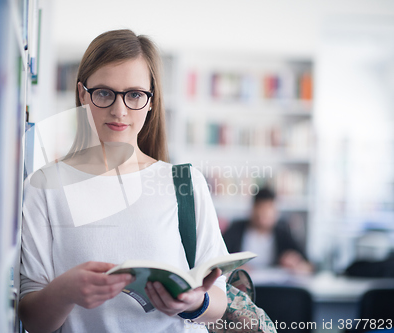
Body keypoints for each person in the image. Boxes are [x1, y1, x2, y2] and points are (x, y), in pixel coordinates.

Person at [18, 29, 230, 333]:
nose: (119, 110)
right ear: (82, 94)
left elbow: (218, 302)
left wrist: (195, 303)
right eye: (104, 93)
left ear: (151, 101)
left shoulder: (185, 183)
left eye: (134, 95)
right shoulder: (44, 188)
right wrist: (64, 292)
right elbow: (35, 322)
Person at [222, 188, 313, 274]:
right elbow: (220, 261)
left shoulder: (283, 233)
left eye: (267, 211)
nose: (263, 217)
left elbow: (309, 265)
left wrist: (297, 266)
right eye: (260, 210)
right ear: (252, 210)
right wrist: (233, 268)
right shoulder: (235, 231)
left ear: (276, 212)